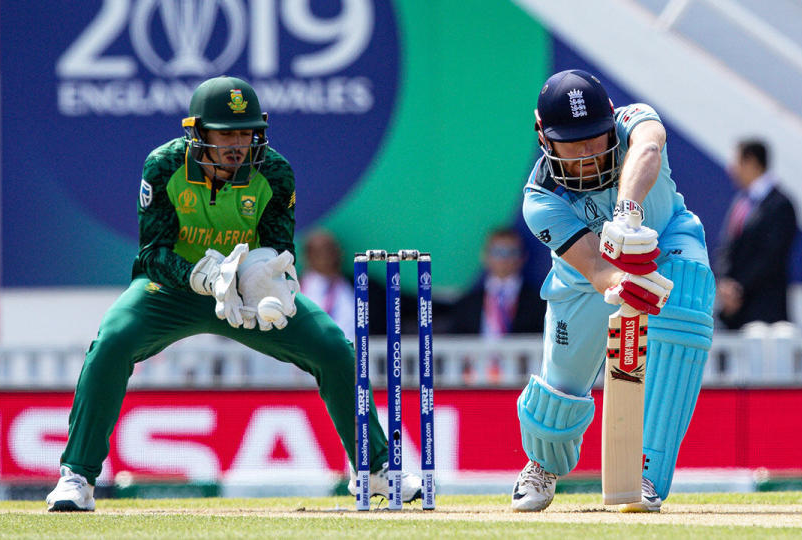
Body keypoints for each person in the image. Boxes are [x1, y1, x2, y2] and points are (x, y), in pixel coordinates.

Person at [45, 76, 421, 511]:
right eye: (225, 133)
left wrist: (266, 285)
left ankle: (374, 469)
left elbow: (279, 248)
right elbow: (152, 255)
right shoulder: (164, 167)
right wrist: (202, 277)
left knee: (333, 347)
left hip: (244, 295)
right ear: (198, 132)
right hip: (171, 289)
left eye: (245, 132)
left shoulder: (274, 172)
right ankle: (77, 477)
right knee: (111, 343)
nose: (237, 145)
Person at [510, 70, 716, 513]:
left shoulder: (635, 122)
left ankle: (646, 473)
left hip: (667, 240)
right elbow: (598, 270)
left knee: (687, 298)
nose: (586, 152)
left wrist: (627, 213)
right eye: (572, 141)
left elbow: (649, 143)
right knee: (561, 388)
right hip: (584, 278)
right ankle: (542, 464)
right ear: (544, 137)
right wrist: (624, 285)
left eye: (594, 137)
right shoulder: (540, 200)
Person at [715, 139, 797, 330]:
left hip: (765, 313)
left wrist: (739, 287)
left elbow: (771, 256)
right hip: (734, 313)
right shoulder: (741, 202)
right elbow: (727, 246)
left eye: (735, 162)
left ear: (751, 161)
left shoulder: (781, 205)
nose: (731, 169)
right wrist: (725, 284)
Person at [448, 228, 545, 337]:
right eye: (497, 252)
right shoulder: (467, 303)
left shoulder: (539, 303)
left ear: (523, 257)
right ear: (485, 256)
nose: (504, 259)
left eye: (512, 252)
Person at [299, 229, 356, 340]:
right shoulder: (291, 289)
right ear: (307, 256)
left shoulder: (363, 286)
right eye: (318, 251)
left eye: (330, 250)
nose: (326, 256)